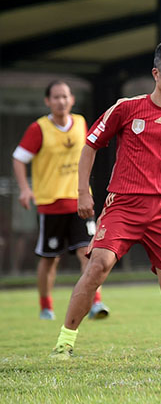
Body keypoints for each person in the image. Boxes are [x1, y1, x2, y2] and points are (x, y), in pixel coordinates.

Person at [50, 41, 161, 359]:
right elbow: (90, 145)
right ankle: (65, 342)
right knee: (98, 265)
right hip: (123, 206)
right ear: (156, 73)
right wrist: (83, 192)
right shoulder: (127, 108)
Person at [12, 80, 110, 321]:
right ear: (48, 101)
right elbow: (18, 158)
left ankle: (95, 303)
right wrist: (25, 189)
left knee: (88, 254)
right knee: (49, 260)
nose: (61, 101)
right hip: (50, 204)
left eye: (65, 96)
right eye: (56, 97)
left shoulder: (80, 123)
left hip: (80, 202)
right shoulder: (39, 129)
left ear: (72, 99)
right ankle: (46, 307)